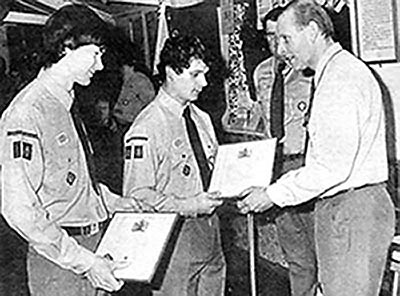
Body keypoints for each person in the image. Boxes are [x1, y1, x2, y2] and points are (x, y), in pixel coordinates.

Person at [238, 1, 395, 295]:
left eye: (286, 38)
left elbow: (331, 168)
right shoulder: (335, 71)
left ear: (312, 31)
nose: (281, 49)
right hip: (345, 209)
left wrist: (271, 195)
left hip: (350, 209)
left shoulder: (340, 79)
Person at [0, 4, 144, 296]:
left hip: (91, 249)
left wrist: (115, 202)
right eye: (94, 54)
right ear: (66, 48)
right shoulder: (28, 112)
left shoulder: (67, 102)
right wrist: (83, 262)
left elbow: (70, 183)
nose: (100, 65)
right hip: (61, 262)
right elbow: (18, 209)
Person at [123, 33, 226, 296]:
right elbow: (137, 196)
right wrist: (190, 205)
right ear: (170, 72)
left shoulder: (201, 118)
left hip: (211, 231)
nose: (204, 82)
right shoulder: (147, 127)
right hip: (173, 236)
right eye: (195, 74)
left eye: (205, 73)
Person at [253, 6, 317, 296]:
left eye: (281, 36)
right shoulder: (261, 73)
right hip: (276, 170)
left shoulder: (311, 71)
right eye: (268, 36)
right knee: (296, 256)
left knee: (323, 251)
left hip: (307, 167)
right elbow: (263, 122)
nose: (275, 44)